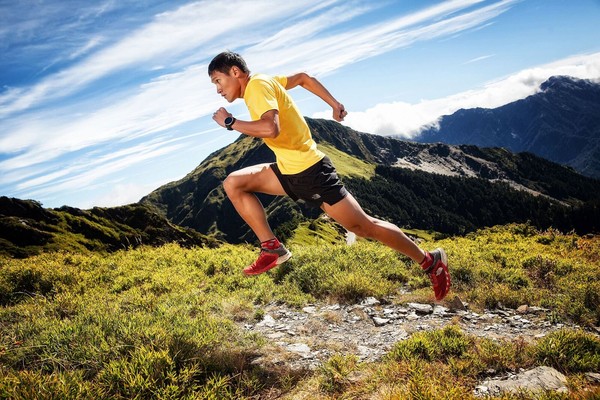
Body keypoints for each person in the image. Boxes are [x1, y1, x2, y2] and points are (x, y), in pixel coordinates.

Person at [208, 51, 450, 301]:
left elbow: (270, 128)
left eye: (218, 81)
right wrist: (333, 103)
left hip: (312, 173)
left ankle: (431, 262)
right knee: (234, 183)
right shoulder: (263, 81)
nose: (218, 89)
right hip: (288, 170)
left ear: (235, 72)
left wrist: (230, 122)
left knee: (365, 227)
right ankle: (272, 248)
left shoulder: (257, 87)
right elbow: (302, 78)